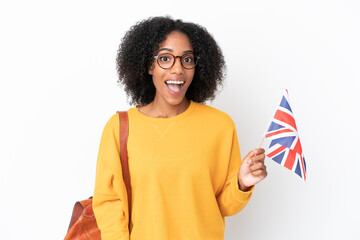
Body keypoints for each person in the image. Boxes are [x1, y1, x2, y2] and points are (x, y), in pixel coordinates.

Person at [93, 16, 267, 240]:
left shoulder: (220, 126)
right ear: (148, 65)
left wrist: (242, 183)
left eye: (187, 59)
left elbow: (224, 207)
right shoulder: (118, 128)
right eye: (165, 58)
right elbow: (109, 203)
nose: (177, 69)